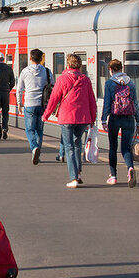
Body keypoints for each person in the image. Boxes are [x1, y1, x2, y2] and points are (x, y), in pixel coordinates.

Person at [44, 54, 97, 188]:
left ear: (67, 65)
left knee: (69, 147)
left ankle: (73, 178)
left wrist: (46, 115)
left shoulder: (62, 79)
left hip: (67, 117)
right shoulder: (86, 80)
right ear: (79, 66)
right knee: (77, 143)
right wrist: (93, 117)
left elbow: (54, 98)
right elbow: (92, 100)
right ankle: (78, 173)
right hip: (83, 118)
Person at [100, 59, 139, 187]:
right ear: (121, 68)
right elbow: (135, 103)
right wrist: (138, 120)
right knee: (126, 148)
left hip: (115, 118)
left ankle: (113, 176)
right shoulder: (131, 83)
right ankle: (130, 169)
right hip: (129, 118)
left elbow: (107, 103)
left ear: (111, 70)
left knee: (113, 147)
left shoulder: (109, 84)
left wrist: (103, 119)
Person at [16, 48, 52, 165]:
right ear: (41, 59)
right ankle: (38, 153)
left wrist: (19, 103)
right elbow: (53, 86)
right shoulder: (47, 71)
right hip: (42, 104)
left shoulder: (25, 71)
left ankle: (34, 147)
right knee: (39, 130)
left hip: (29, 104)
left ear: (30, 58)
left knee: (29, 129)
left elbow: (19, 89)